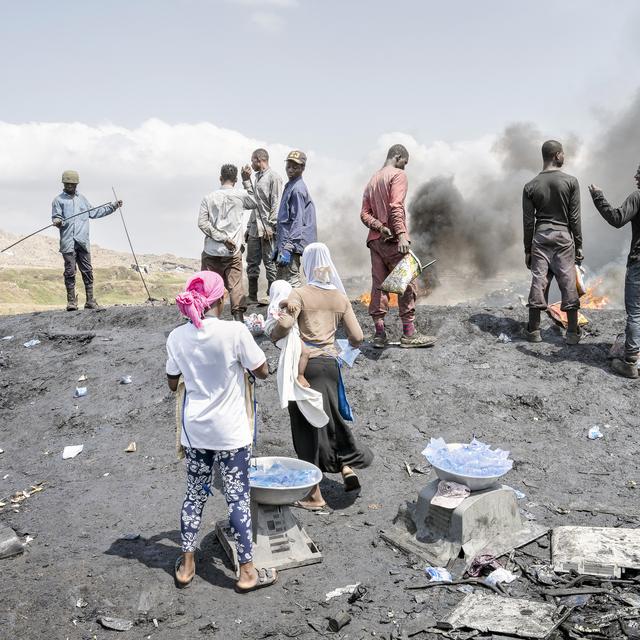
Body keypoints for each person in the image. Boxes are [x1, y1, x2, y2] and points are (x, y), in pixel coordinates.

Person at [165, 271, 277, 593]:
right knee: (237, 498)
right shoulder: (235, 332)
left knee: (194, 494)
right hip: (231, 433)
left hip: (196, 432)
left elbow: (173, 383)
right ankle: (246, 572)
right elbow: (263, 371)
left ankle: (186, 565)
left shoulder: (177, 338)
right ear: (221, 299)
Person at [271, 243, 373, 510]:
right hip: (331, 367)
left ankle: (314, 495)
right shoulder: (340, 298)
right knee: (331, 420)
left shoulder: (300, 293)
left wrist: (273, 335)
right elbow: (358, 337)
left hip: (307, 368)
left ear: (306, 264)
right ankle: (347, 467)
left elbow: (285, 323)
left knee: (307, 430)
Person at [360, 144, 436, 348]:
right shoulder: (397, 176)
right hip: (393, 241)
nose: (405, 167)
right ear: (398, 156)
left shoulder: (372, 180)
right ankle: (409, 334)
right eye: (405, 163)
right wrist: (401, 235)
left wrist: (378, 226)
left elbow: (364, 214)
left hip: (375, 241)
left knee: (379, 285)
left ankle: (379, 335)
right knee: (407, 282)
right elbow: (396, 206)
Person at [523, 140, 583, 344]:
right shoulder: (571, 182)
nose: (564, 157)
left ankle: (533, 330)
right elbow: (574, 218)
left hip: (540, 237)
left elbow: (528, 221)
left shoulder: (530, 186)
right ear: (557, 155)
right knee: (567, 281)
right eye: (563, 153)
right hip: (563, 237)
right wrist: (579, 244)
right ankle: (573, 333)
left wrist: (527, 249)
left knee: (539, 280)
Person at [588, 166, 640, 378]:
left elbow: (617, 219)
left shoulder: (637, 196)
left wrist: (598, 197)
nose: (635, 176)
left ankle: (630, 362)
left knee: (636, 312)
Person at [51, 170, 122, 311]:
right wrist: (57, 221)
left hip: (82, 242)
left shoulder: (82, 199)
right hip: (68, 243)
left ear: (76, 184)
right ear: (64, 184)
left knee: (87, 271)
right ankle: (71, 302)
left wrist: (113, 206)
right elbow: (56, 217)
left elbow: (95, 212)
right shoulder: (58, 200)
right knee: (70, 272)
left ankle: (90, 301)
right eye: (68, 184)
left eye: (73, 184)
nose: (70, 186)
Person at [198, 164, 258, 323]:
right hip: (232, 253)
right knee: (236, 286)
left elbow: (202, 224)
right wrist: (247, 181)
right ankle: (238, 321)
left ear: (220, 178)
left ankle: (207, 321)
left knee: (209, 286)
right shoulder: (241, 195)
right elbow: (255, 202)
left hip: (211, 251)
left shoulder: (208, 198)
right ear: (236, 180)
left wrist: (221, 238)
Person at [241, 149, 283, 304]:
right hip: (254, 228)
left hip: (267, 228)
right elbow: (252, 202)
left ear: (259, 160)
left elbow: (276, 203)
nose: (251, 164)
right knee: (252, 262)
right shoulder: (257, 177)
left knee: (270, 263)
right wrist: (246, 179)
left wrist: (271, 225)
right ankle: (252, 296)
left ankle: (272, 296)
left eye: (252, 160)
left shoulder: (274, 177)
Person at [275, 150, 317, 287]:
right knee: (281, 281)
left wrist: (287, 247)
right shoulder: (290, 185)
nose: (290, 170)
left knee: (292, 281)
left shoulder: (298, 189)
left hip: (293, 243)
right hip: (286, 240)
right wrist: (278, 245)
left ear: (303, 168)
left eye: (295, 167)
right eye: (289, 166)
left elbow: (298, 221)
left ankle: (297, 308)